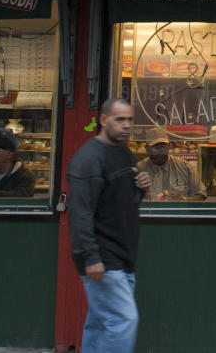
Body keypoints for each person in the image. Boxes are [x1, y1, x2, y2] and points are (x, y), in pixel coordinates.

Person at [68, 98, 150, 353]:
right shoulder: (89, 159)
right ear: (103, 120)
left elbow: (123, 201)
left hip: (122, 255)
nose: (126, 126)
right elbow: (80, 214)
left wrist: (141, 189)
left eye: (129, 120)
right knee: (123, 320)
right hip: (103, 257)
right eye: (119, 119)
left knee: (101, 322)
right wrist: (91, 257)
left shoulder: (125, 154)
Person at [136, 129, 207, 201]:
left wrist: (183, 199)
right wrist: (139, 198)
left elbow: (201, 196)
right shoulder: (139, 169)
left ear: (169, 146)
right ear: (147, 149)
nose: (160, 151)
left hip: (178, 212)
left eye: (163, 146)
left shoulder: (186, 167)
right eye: (156, 147)